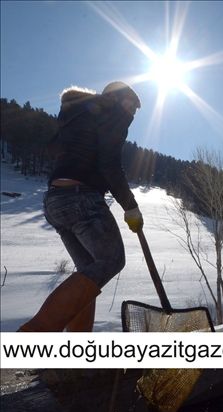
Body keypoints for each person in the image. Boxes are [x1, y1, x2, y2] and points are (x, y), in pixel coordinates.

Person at [18, 81, 144, 332]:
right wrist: (130, 206)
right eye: (131, 103)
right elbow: (110, 164)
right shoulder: (113, 114)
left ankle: (76, 353)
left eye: (135, 109)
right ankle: (34, 334)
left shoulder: (77, 115)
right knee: (112, 260)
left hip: (55, 201)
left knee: (88, 271)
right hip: (81, 198)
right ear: (116, 98)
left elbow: (53, 147)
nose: (132, 112)